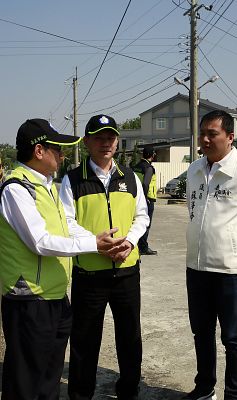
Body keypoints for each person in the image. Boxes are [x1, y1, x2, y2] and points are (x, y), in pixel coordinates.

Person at [0, 118, 125, 400]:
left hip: (55, 297)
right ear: (39, 151)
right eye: (57, 149)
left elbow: (65, 226)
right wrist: (92, 244)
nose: (63, 155)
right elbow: (41, 242)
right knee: (26, 382)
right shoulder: (17, 189)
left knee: (49, 379)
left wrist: (98, 240)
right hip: (29, 300)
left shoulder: (46, 185)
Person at [59, 114, 149, 400]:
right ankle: (80, 394)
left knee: (130, 337)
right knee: (85, 340)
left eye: (110, 138)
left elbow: (142, 216)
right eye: (99, 138)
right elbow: (67, 221)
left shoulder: (130, 178)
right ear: (86, 142)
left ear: (118, 142)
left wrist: (130, 241)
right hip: (89, 274)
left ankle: (129, 390)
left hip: (126, 271)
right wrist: (95, 243)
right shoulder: (73, 179)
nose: (106, 143)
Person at [184, 110, 237, 400]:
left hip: (231, 271)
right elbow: (193, 212)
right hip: (196, 267)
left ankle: (234, 394)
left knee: (232, 336)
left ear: (230, 137)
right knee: (201, 332)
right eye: (202, 133)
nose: (205, 139)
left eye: (212, 134)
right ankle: (205, 388)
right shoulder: (194, 170)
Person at [133, 144, 158, 255]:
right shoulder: (149, 168)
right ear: (152, 155)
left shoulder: (136, 166)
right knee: (145, 223)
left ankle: (136, 245)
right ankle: (143, 247)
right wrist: (145, 198)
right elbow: (146, 183)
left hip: (135, 197)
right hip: (147, 199)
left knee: (136, 222)